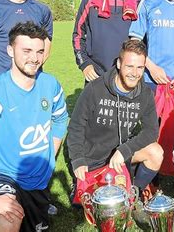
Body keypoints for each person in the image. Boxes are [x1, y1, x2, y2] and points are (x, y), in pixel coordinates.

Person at [0, 21, 68, 232]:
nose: (34, 58)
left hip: (38, 179)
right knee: (8, 218)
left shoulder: (51, 85)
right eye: (26, 50)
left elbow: (60, 119)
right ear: (10, 50)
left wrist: (49, 157)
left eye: (39, 51)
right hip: (5, 175)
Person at [67, 39, 163, 201]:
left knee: (156, 152)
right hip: (92, 158)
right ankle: (81, 183)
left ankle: (135, 192)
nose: (135, 73)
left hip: (120, 156)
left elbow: (151, 131)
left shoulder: (145, 94)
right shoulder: (95, 89)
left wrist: (124, 150)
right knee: (87, 204)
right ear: (119, 64)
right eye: (129, 66)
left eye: (140, 67)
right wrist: (77, 159)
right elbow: (76, 126)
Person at [73, 0, 139, 82]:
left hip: (127, 79)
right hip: (96, 77)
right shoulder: (89, 0)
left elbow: (144, 45)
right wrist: (84, 64)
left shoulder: (138, 4)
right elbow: (78, 35)